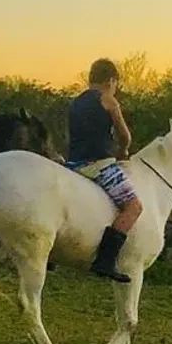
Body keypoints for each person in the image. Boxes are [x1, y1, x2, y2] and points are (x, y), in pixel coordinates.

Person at [66, 58, 143, 282]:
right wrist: (124, 150)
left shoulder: (75, 102)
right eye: (116, 83)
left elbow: (69, 137)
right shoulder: (108, 100)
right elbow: (125, 135)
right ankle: (106, 260)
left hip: (73, 164)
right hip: (99, 165)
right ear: (111, 80)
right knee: (134, 207)